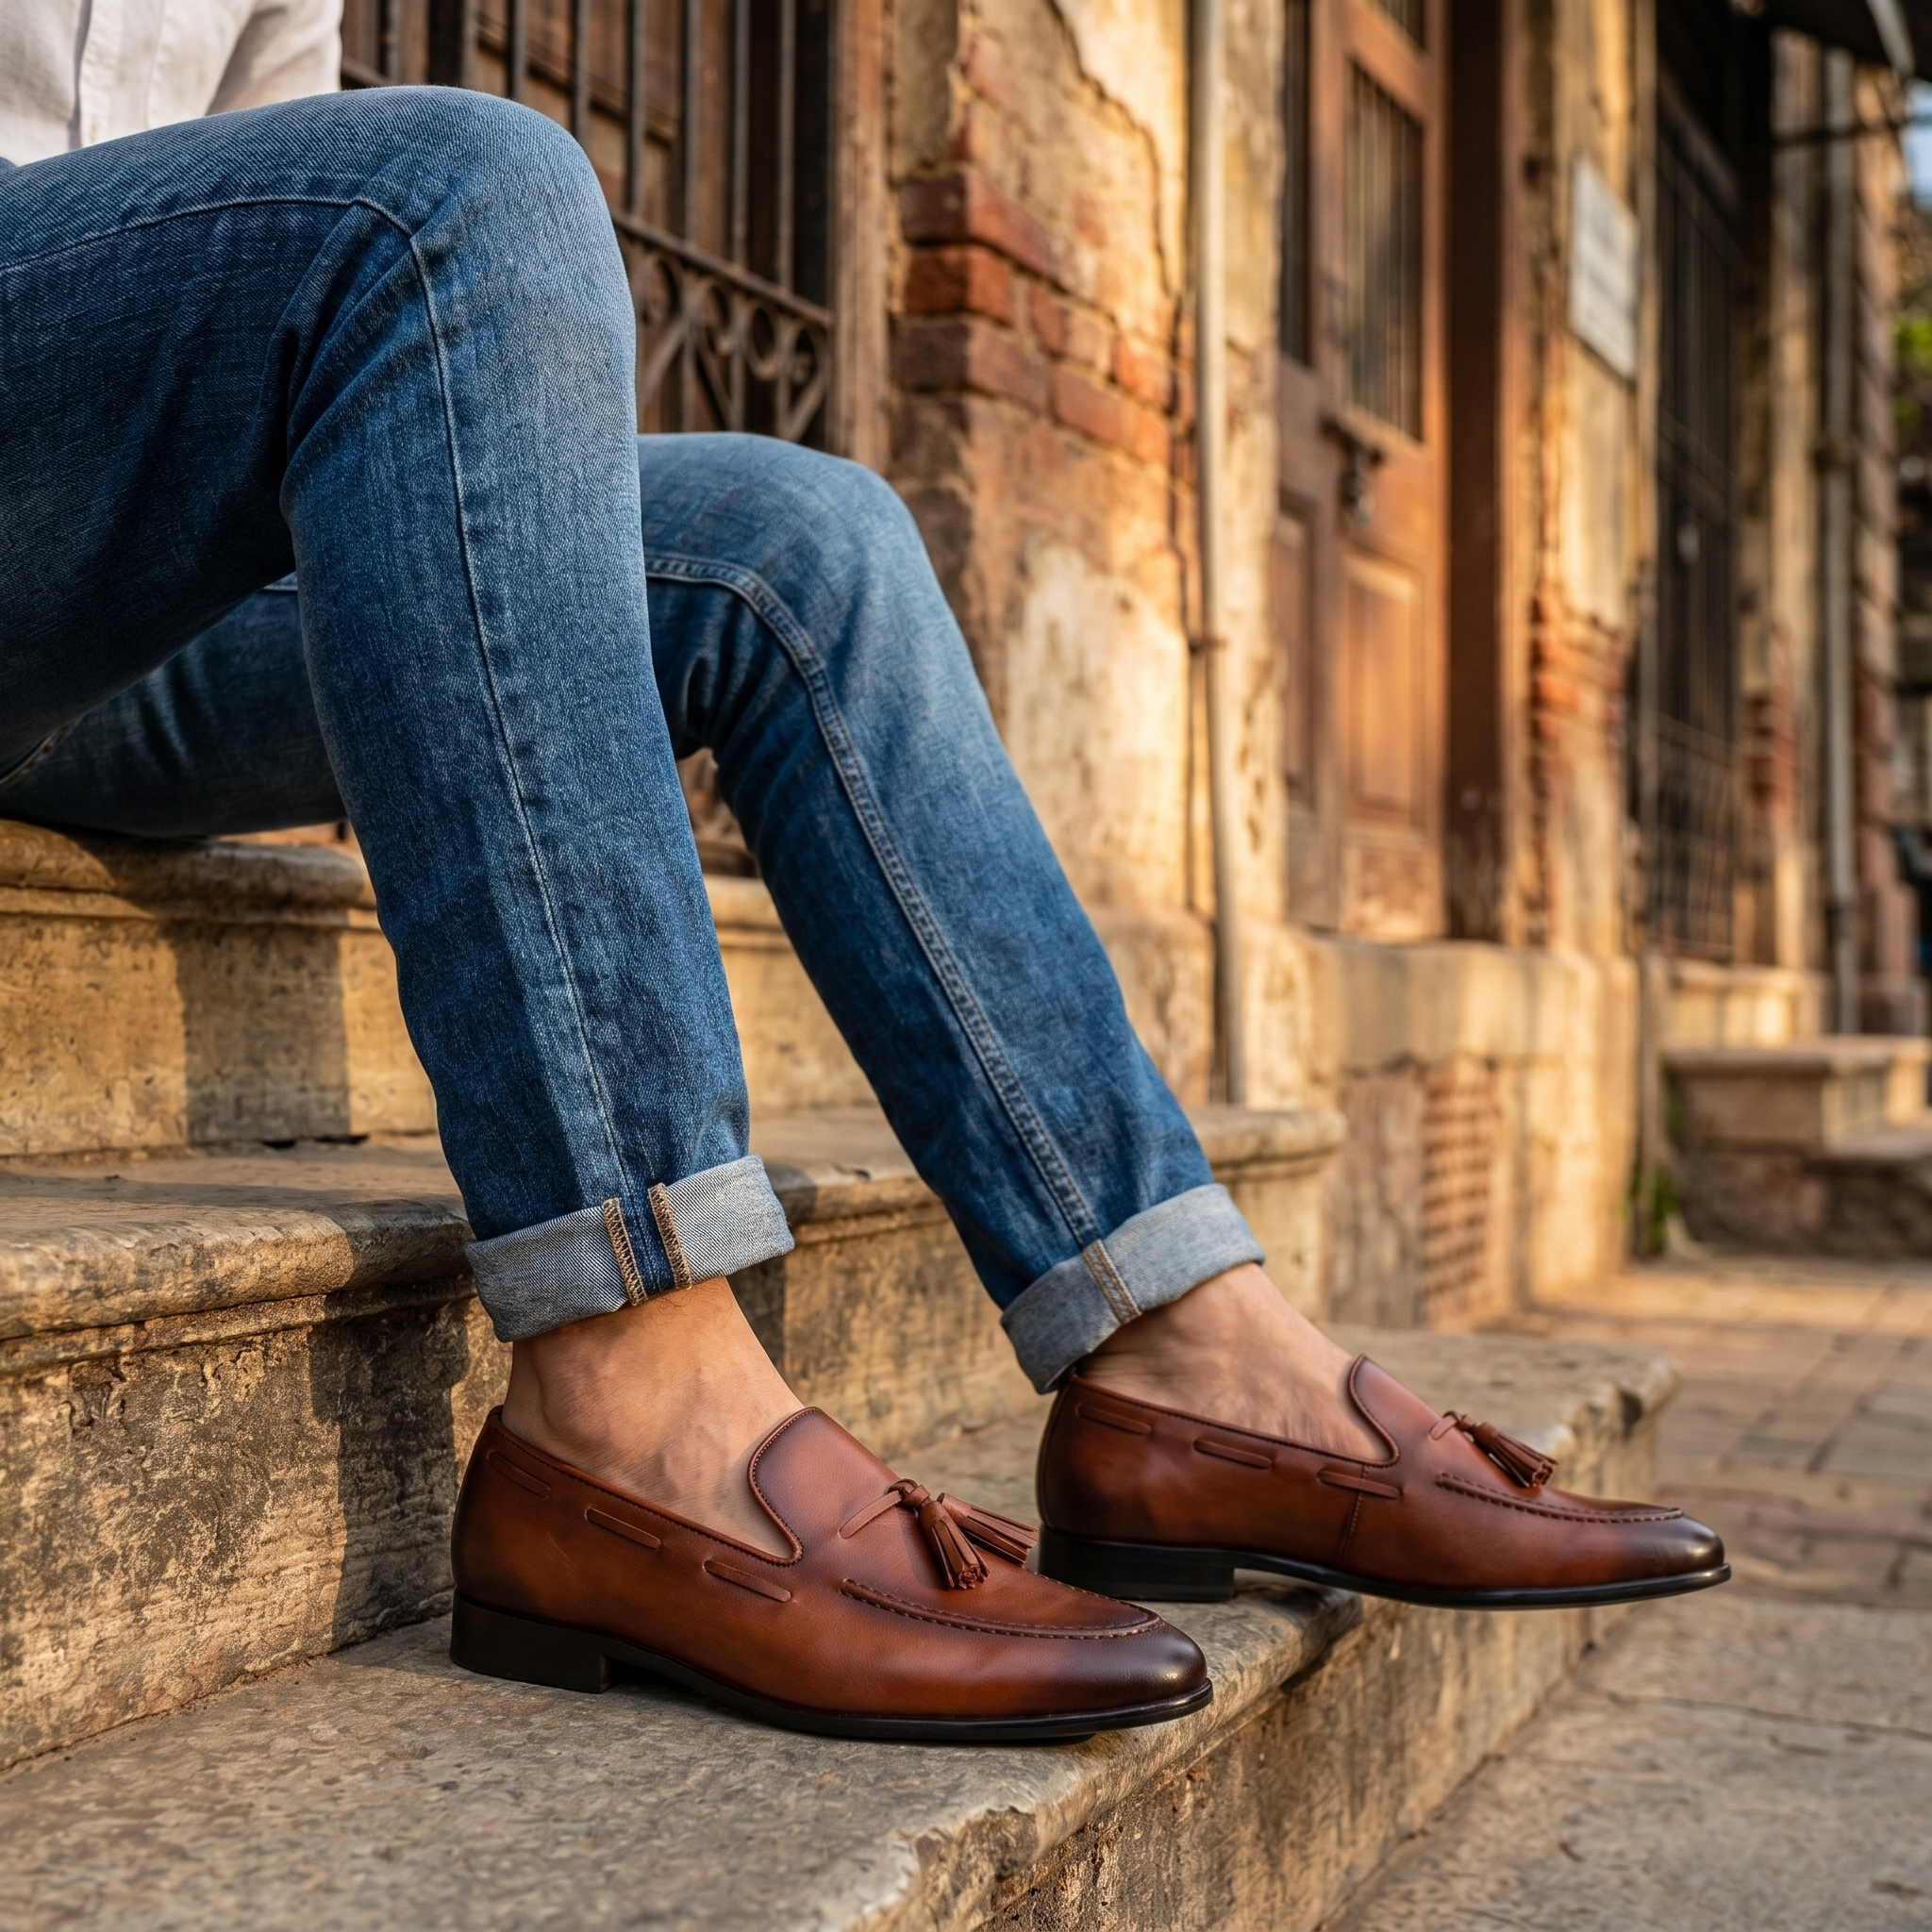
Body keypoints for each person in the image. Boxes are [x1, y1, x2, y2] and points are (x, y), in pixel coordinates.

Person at [0, 2, 1726, 1744]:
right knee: (452, 191)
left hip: (115, 615)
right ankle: (634, 1388)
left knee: (803, 542)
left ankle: (1183, 1359)